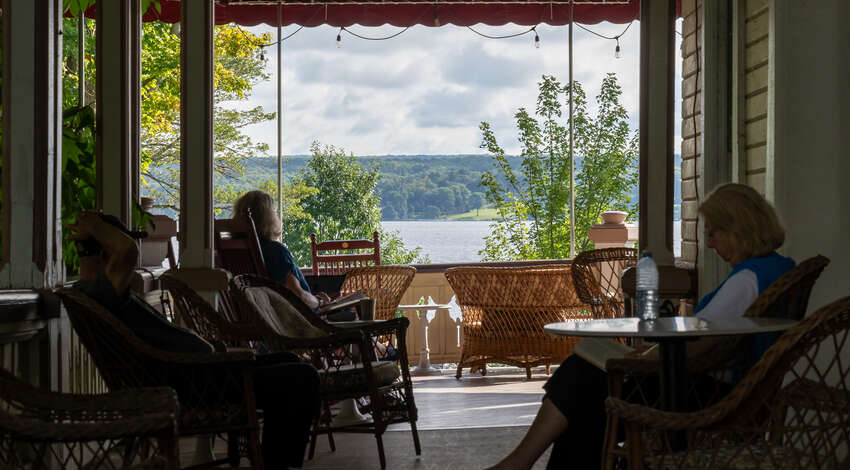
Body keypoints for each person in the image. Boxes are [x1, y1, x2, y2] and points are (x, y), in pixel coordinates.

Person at [485, 183, 795, 470]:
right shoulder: (777, 269)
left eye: (713, 233)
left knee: (581, 379)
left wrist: (645, 359)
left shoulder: (746, 280)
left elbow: (699, 343)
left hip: (705, 393)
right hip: (725, 387)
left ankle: (517, 463)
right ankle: (518, 463)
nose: (711, 243)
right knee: (586, 397)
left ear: (737, 231)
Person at [70, 211, 319, 469]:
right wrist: (94, 226)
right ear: (106, 254)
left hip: (198, 375)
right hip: (198, 382)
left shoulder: (101, 295)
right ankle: (276, 464)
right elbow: (128, 251)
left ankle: (273, 460)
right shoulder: (101, 293)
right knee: (302, 377)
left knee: (290, 361)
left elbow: (125, 252)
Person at [233, 190, 331, 311]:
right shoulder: (275, 251)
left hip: (252, 317)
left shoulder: (235, 251)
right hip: (292, 320)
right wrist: (320, 301)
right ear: (269, 218)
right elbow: (298, 297)